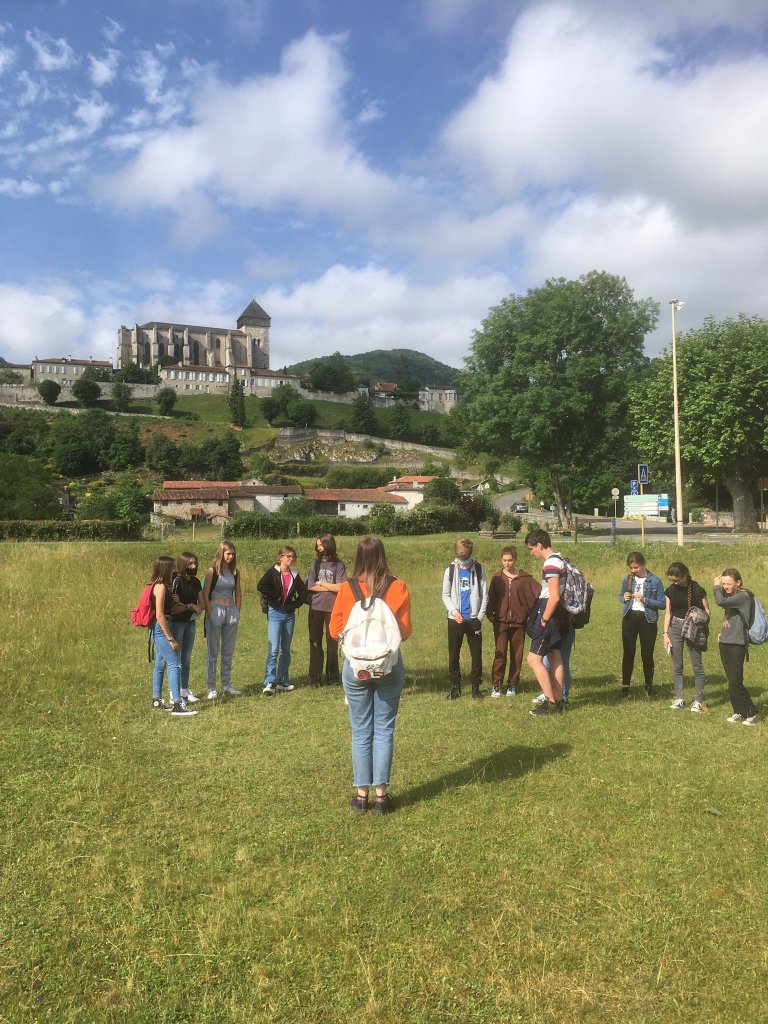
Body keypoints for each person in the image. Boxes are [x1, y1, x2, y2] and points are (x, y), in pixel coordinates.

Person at [329, 536, 412, 814]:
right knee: (384, 729)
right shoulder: (397, 586)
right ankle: (381, 797)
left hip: (356, 668)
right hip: (388, 666)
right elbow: (405, 631)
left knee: (361, 730)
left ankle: (361, 795)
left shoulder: (346, 588)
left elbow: (334, 630)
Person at [524, 529, 569, 716]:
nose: (531, 552)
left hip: (549, 613)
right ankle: (558, 702)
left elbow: (554, 596)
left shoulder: (550, 564)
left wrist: (543, 619)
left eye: (531, 548)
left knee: (533, 659)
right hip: (560, 615)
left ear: (539, 545)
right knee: (554, 657)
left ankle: (550, 702)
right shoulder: (561, 559)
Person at [485, 546, 540, 697]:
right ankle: (496, 685)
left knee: (517, 654)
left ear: (515, 560)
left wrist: (529, 614)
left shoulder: (525, 578)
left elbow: (539, 594)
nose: (507, 563)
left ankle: (512, 685)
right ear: (501, 560)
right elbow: (491, 598)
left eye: (510, 560)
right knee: (500, 653)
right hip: (501, 623)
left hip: (519, 623)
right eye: (504, 560)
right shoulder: (497, 578)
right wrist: (490, 615)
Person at [257, 545, 308, 695]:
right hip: (275, 614)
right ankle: (269, 682)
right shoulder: (273, 572)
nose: (291, 559)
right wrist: (275, 596)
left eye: (293, 557)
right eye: (288, 556)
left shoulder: (294, 574)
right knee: (273, 649)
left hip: (289, 616)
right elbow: (261, 586)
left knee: (285, 650)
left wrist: (295, 604)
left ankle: (282, 680)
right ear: (280, 558)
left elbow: (303, 591)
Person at [150, 555, 197, 716]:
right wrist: (170, 638)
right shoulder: (161, 586)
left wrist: (180, 604)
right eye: (173, 568)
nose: (176, 570)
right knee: (175, 663)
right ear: (166, 569)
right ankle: (177, 703)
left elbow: (170, 611)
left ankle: (156, 699)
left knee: (160, 664)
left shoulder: (165, 587)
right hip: (162, 628)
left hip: (162, 626)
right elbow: (160, 616)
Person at [442, 538, 488, 700]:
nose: (464, 562)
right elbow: (445, 595)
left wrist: (480, 617)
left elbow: (484, 596)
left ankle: (476, 688)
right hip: (455, 620)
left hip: (474, 620)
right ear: (457, 555)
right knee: (454, 654)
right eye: (462, 559)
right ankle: (455, 687)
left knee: (476, 655)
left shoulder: (480, 569)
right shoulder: (451, 570)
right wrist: (454, 612)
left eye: (466, 558)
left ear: (471, 554)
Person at [713, 569, 759, 725]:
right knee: (731, 680)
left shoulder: (743, 596)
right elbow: (729, 617)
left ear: (738, 583)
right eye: (723, 583)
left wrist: (716, 586)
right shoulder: (732, 596)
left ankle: (752, 712)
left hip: (737, 643)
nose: (724, 586)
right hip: (725, 641)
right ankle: (739, 711)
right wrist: (722, 632)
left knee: (735, 681)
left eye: (728, 583)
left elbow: (720, 601)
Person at [663, 561, 710, 711]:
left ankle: (697, 700)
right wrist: (665, 634)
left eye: (677, 580)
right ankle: (679, 698)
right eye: (671, 580)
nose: (674, 583)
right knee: (677, 665)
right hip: (675, 627)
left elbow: (708, 611)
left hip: (693, 629)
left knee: (697, 666)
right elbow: (668, 613)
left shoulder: (697, 589)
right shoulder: (670, 590)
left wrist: (698, 619)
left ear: (685, 575)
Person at [619, 552, 666, 698]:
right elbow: (621, 595)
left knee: (647, 654)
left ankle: (649, 685)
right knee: (628, 652)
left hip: (648, 619)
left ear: (643, 564)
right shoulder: (628, 579)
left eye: (636, 567)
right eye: (631, 568)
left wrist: (645, 599)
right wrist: (624, 598)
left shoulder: (655, 581)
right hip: (630, 617)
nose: (633, 570)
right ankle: (625, 686)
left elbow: (663, 603)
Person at [202, 541, 242, 699]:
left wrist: (237, 611)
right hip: (215, 611)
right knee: (213, 652)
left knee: (228, 651)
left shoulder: (235, 572)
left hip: (231, 611)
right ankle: (211, 687)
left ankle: (226, 684)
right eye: (228, 553)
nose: (231, 557)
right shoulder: (212, 571)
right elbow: (205, 594)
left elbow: (238, 593)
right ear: (221, 553)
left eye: (233, 554)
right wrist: (211, 613)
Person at [306, 534, 347, 686]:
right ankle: (314, 678)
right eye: (317, 545)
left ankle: (333, 677)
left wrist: (322, 583)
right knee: (315, 642)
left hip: (333, 609)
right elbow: (311, 586)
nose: (319, 548)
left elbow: (341, 587)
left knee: (333, 642)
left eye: (321, 545)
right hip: (316, 608)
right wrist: (331, 587)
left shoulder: (339, 565)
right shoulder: (315, 564)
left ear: (329, 545)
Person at [170, 551, 205, 704]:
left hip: (190, 622)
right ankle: (174, 692)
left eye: (195, 563)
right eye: (190, 563)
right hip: (177, 623)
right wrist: (190, 606)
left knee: (186, 658)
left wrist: (195, 607)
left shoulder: (196, 582)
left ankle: (184, 690)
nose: (193, 566)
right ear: (183, 564)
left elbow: (202, 604)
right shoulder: (177, 582)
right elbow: (173, 607)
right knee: (176, 658)